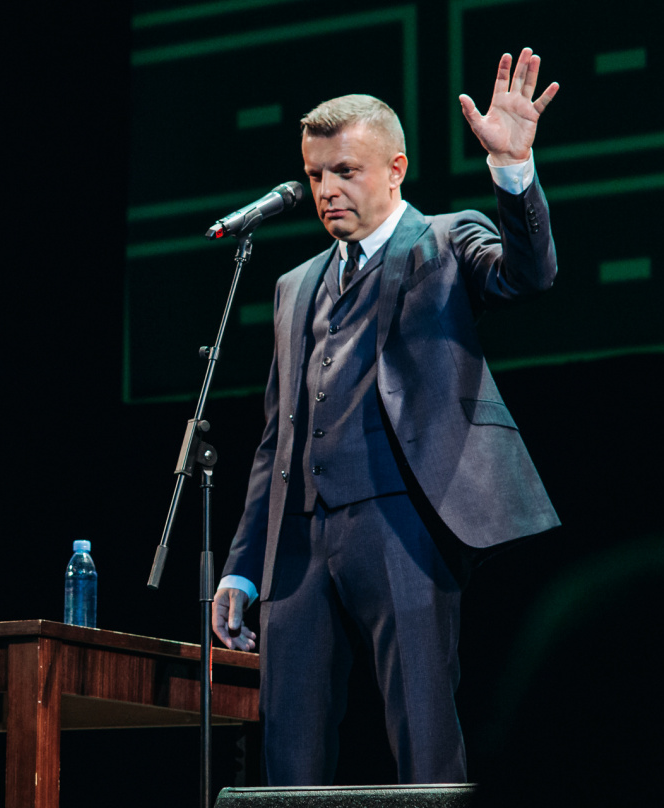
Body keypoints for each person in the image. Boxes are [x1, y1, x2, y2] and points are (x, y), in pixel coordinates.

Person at [211, 48, 561, 786]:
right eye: (315, 176)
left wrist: (513, 170)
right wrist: (243, 566)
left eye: (346, 171)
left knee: (422, 735)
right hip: (298, 541)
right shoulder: (294, 285)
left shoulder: (445, 240)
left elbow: (528, 276)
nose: (327, 190)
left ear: (396, 169)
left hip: (403, 523)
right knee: (286, 747)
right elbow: (277, 438)